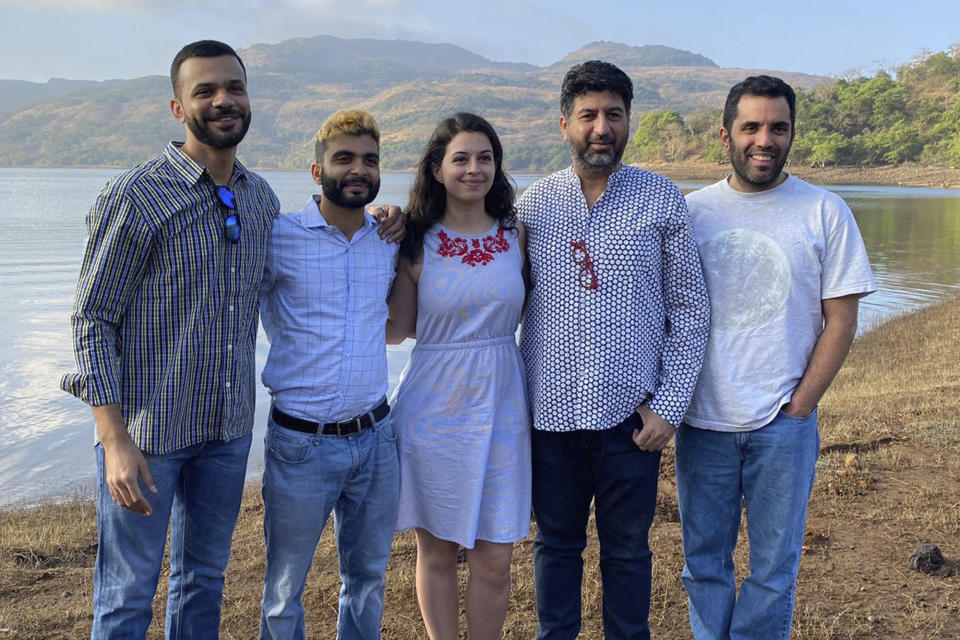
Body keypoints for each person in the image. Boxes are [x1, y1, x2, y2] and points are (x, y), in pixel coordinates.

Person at [60, 40, 280, 638]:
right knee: (127, 594)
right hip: (147, 432)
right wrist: (113, 439)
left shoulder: (261, 198)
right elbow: (92, 319)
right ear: (178, 109)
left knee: (203, 581)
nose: (223, 101)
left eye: (234, 88)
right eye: (204, 91)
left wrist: (382, 219)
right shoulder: (135, 196)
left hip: (228, 430)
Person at [676, 75, 876, 640]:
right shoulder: (690, 212)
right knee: (704, 566)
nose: (764, 139)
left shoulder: (825, 211)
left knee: (772, 569)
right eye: (751, 127)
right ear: (725, 136)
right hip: (702, 421)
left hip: (782, 426)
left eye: (778, 127)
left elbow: (842, 320)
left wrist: (799, 406)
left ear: (791, 135)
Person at [517, 60, 710, 640]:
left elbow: (691, 310)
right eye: (588, 116)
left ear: (629, 122)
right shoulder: (532, 206)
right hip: (548, 419)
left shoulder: (661, 199)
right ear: (564, 124)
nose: (601, 128)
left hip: (632, 422)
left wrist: (668, 408)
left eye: (614, 115)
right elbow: (500, 300)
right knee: (556, 547)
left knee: (627, 550)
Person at [386, 112, 530, 640]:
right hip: (433, 410)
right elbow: (396, 331)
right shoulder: (414, 240)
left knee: (496, 557)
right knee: (438, 551)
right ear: (437, 169)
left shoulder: (518, 233)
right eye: (461, 158)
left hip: (502, 405)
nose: (475, 169)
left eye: (485, 157)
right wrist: (373, 236)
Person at [258, 109, 400, 640]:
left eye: (369, 160)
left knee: (366, 580)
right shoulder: (278, 238)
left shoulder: (388, 239)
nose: (357, 169)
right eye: (344, 159)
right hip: (301, 443)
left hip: (375, 440)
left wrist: (399, 218)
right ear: (317, 172)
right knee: (283, 590)